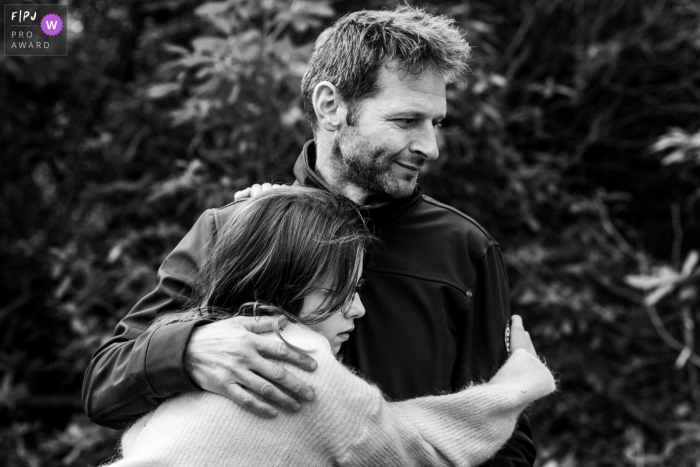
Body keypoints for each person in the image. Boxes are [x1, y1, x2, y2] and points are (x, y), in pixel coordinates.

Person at [83, 6, 538, 465]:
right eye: (406, 121)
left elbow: (508, 443)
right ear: (330, 106)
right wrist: (189, 349)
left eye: (435, 123)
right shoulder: (238, 228)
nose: (430, 147)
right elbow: (105, 386)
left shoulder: (464, 248)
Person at [105, 187, 555, 466]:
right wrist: (517, 384)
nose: (358, 310)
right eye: (343, 290)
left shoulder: (218, 347)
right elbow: (421, 450)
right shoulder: (293, 359)